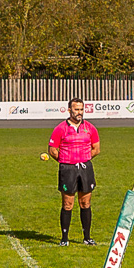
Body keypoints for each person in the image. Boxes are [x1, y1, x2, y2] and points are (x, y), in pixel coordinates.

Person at [47, 99, 100, 246]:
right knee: (67, 203)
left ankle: (87, 237)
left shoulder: (90, 128)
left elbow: (96, 149)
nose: (79, 113)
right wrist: (66, 161)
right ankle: (64, 238)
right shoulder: (60, 128)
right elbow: (52, 150)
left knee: (85, 202)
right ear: (69, 110)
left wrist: (84, 159)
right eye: (76, 109)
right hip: (67, 169)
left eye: (81, 109)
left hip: (85, 168)